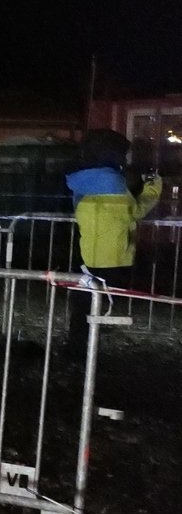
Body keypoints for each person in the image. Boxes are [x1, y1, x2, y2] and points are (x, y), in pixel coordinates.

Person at [64, 129, 161, 352]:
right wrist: (153, 187)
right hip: (113, 255)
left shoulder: (79, 180)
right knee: (97, 305)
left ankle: (77, 347)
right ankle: (86, 351)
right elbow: (135, 211)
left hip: (86, 252)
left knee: (82, 303)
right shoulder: (114, 182)